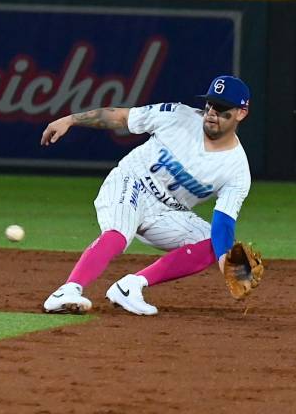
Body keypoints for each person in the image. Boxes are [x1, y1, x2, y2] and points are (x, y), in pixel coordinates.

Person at [41, 75, 252, 316]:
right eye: (210, 104)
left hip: (168, 212)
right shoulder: (177, 116)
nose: (212, 112)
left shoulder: (237, 170)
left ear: (241, 113)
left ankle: (131, 286)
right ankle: (67, 290)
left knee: (211, 244)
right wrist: (71, 120)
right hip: (132, 181)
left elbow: (223, 223)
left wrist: (229, 263)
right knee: (118, 233)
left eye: (222, 108)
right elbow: (121, 117)